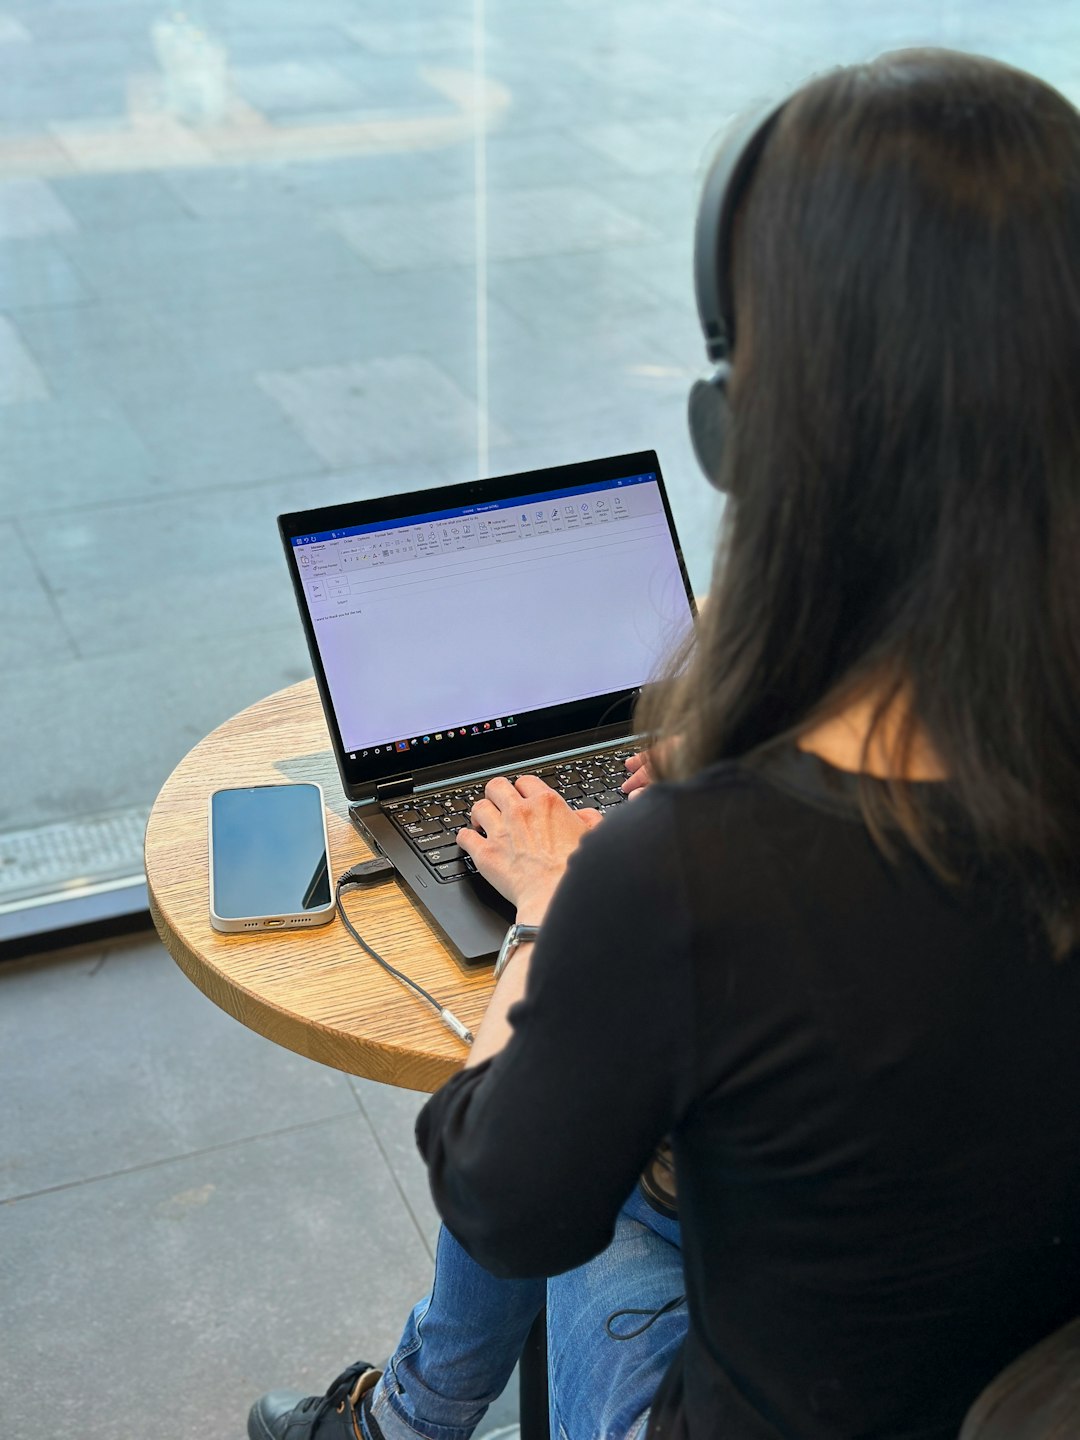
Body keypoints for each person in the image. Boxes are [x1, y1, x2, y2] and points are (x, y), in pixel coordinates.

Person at [249, 47, 1080, 1440]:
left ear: (747, 425)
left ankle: (399, 1421)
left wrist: (560, 911)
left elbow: (501, 1195)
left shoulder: (687, 877)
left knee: (578, 1125)